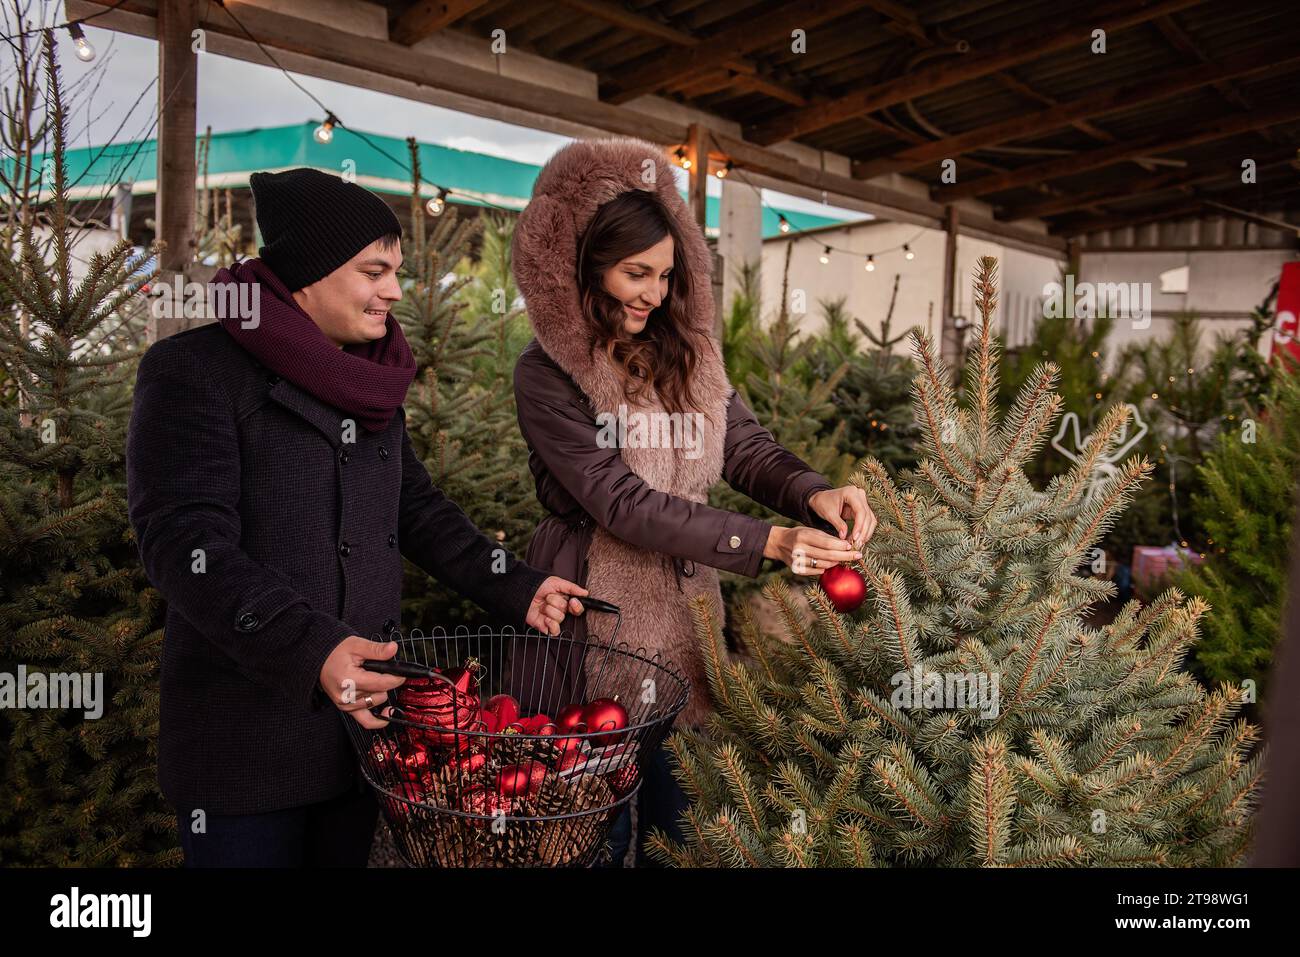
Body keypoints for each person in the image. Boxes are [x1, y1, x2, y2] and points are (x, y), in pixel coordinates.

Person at [126, 167, 588, 867]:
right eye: (374, 271)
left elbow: (417, 507)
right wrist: (311, 647)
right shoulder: (194, 370)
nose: (396, 292)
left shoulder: (368, 382)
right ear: (308, 272)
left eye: (397, 271)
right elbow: (185, 544)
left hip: (357, 738)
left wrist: (517, 585)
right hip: (246, 742)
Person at [508, 138, 878, 866]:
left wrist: (813, 490)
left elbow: (746, 448)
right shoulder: (547, 374)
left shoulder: (688, 355)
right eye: (634, 272)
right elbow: (622, 502)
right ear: (586, 267)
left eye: (665, 274)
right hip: (593, 621)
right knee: (587, 832)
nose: (651, 291)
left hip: (688, 624)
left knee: (681, 828)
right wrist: (769, 543)